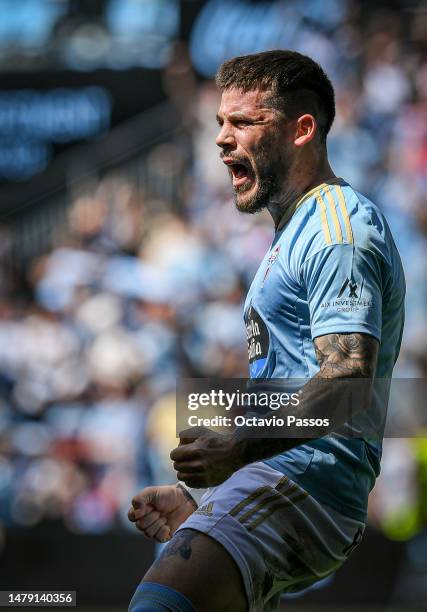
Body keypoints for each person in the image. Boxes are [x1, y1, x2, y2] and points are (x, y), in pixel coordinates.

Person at [127, 50, 405, 612]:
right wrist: (198, 496)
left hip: (306, 484)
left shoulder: (337, 229)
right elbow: (283, 383)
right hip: (280, 477)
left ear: (303, 129)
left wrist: (240, 452)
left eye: (244, 122)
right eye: (220, 124)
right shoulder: (294, 230)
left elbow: (349, 379)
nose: (223, 139)